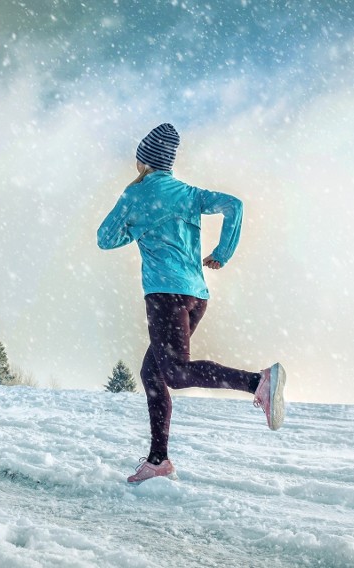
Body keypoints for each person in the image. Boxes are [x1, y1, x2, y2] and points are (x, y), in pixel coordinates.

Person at [97, 123, 286, 484]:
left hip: (165, 294)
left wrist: (134, 229)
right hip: (196, 295)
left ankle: (257, 381)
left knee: (175, 373)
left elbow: (104, 238)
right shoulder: (188, 193)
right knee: (153, 372)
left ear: (145, 160)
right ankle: (158, 461)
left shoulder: (134, 195)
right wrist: (223, 252)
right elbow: (234, 205)